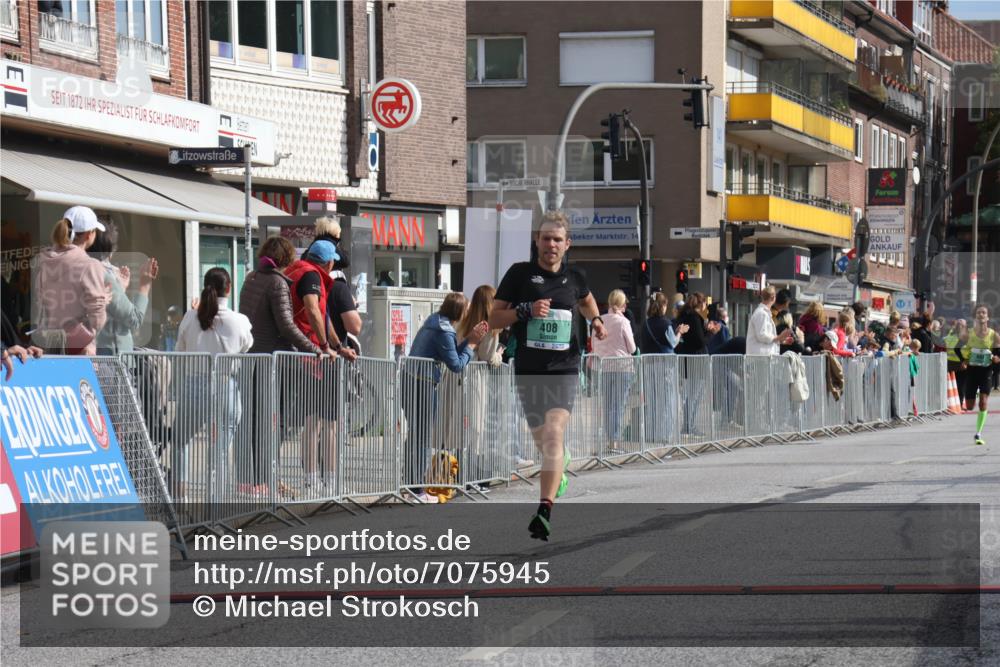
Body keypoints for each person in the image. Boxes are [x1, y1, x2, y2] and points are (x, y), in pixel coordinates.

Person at [490, 210, 608, 540]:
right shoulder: (520, 275)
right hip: (529, 369)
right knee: (544, 443)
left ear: (567, 244)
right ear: (536, 241)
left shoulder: (575, 278)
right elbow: (494, 317)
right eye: (545, 238)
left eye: (557, 239)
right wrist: (525, 310)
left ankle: (544, 509)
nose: (551, 244)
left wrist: (597, 322)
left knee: (554, 433)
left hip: (565, 368)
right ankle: (559, 466)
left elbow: (586, 303)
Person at [238, 236, 326, 498]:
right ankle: (269, 481)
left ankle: (252, 482)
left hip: (252, 358)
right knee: (273, 424)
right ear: (286, 259)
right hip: (273, 362)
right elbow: (286, 326)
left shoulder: (251, 278)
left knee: (253, 423)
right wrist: (314, 348)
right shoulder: (277, 283)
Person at [172, 268, 253, 502]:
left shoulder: (190, 317)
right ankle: (214, 501)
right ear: (229, 289)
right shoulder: (240, 321)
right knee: (220, 446)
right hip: (225, 386)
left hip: (194, 385)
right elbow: (246, 346)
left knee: (180, 442)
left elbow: (180, 349)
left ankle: (180, 498)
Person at [285, 240, 356, 494]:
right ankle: (328, 480)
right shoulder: (312, 276)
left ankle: (313, 478)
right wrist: (326, 347)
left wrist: (338, 347)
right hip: (313, 359)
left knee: (312, 421)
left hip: (305, 356)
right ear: (329, 262)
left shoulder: (297, 269)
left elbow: (324, 317)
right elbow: (314, 313)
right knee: (328, 422)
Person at [405, 292, 488, 503]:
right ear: (459, 311)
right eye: (466, 309)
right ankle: (418, 489)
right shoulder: (444, 330)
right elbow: (456, 365)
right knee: (422, 436)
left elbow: (449, 353)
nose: (468, 313)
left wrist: (469, 338)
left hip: (411, 381)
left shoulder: (434, 323)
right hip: (422, 383)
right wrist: (471, 345)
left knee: (415, 434)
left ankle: (410, 484)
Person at [33, 207, 110, 355]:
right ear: (89, 234)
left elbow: (40, 302)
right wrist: (103, 300)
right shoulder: (89, 265)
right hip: (78, 348)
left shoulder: (44, 263)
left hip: (48, 346)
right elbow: (98, 320)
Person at [87, 225, 159, 355]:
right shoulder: (105, 275)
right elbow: (134, 319)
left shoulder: (82, 270)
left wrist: (120, 288)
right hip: (111, 360)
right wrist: (145, 284)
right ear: (111, 249)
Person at [592, 289, 637, 454]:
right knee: (618, 405)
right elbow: (632, 348)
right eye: (625, 302)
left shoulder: (599, 320)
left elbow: (594, 344)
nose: (626, 305)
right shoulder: (623, 322)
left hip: (604, 367)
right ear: (621, 304)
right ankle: (614, 442)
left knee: (608, 405)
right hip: (622, 367)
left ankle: (609, 440)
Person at [961, 304, 1000, 446]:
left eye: (984, 312)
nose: (981, 315)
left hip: (986, 371)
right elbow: (961, 349)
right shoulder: (968, 334)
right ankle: (974, 393)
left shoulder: (993, 335)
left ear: (988, 317)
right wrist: (964, 360)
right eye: (979, 313)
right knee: (970, 406)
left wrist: (997, 358)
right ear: (975, 316)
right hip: (972, 371)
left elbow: (998, 353)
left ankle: (978, 433)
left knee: (983, 402)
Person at [747, 286, 792, 356]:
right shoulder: (761, 313)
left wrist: (782, 341)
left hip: (763, 357)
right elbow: (761, 336)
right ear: (773, 297)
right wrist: (779, 337)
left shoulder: (764, 313)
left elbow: (765, 337)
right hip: (760, 358)